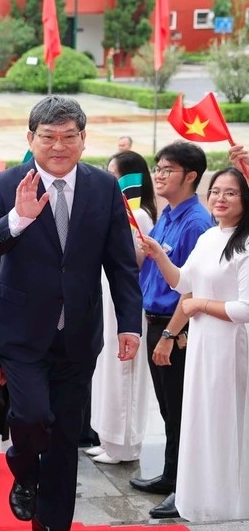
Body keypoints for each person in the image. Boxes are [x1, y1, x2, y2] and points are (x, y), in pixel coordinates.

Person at [0, 96, 143, 531]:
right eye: (49, 137)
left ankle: (53, 525)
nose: (59, 146)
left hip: (79, 335)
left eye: (69, 137)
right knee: (31, 417)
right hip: (21, 333)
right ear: (31, 139)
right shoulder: (5, 184)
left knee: (65, 439)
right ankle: (23, 470)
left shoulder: (104, 188)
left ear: (84, 140)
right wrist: (17, 219)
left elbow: (120, 263)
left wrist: (129, 324)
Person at [139, 166, 249, 522]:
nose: (220, 198)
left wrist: (199, 305)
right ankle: (199, 495)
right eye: (215, 191)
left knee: (225, 422)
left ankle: (230, 500)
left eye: (230, 193)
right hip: (202, 345)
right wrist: (159, 255)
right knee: (199, 420)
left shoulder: (246, 243)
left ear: (245, 200)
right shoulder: (209, 238)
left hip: (230, 346)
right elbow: (182, 281)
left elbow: (244, 308)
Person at [129, 141, 212, 515]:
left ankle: (184, 488)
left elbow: (192, 287)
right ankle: (169, 475)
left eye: (167, 170)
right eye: (157, 168)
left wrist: (171, 334)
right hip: (155, 321)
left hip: (176, 328)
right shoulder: (169, 213)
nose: (158, 176)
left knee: (181, 410)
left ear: (190, 176)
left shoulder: (196, 222)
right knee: (167, 409)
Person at [87, 151, 156, 465]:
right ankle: (109, 439)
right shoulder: (119, 209)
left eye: (112, 173)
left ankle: (125, 444)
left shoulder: (138, 214)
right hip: (106, 298)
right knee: (107, 372)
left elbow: (134, 261)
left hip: (124, 301)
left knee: (123, 372)